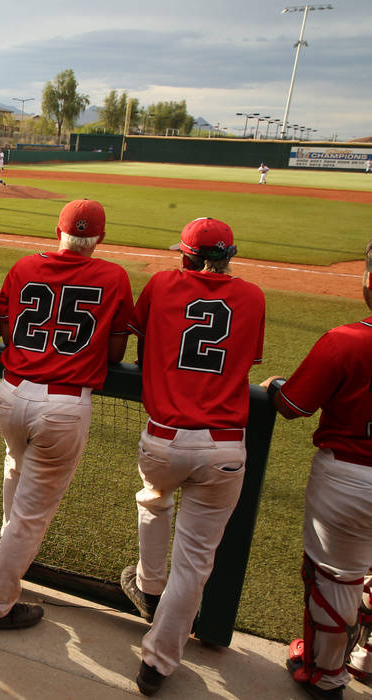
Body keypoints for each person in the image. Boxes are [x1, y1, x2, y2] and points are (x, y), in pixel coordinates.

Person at [0, 199, 133, 632]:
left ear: (57, 230)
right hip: (62, 405)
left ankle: (5, 548)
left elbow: (8, 330)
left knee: (14, 467)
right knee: (32, 515)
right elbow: (117, 351)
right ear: (99, 237)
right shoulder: (114, 276)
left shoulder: (24, 266)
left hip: (11, 393)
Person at [119, 217, 265, 696]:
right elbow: (244, 360)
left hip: (164, 439)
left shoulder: (162, 284)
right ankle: (157, 663)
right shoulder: (253, 296)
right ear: (230, 256)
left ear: (184, 256)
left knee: (153, 499)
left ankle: (149, 585)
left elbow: (141, 349)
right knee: (196, 562)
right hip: (224, 446)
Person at [263, 240, 372, 700]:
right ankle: (366, 658)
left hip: (349, 477)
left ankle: (326, 676)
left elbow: (292, 405)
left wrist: (273, 387)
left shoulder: (347, 340)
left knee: (335, 577)